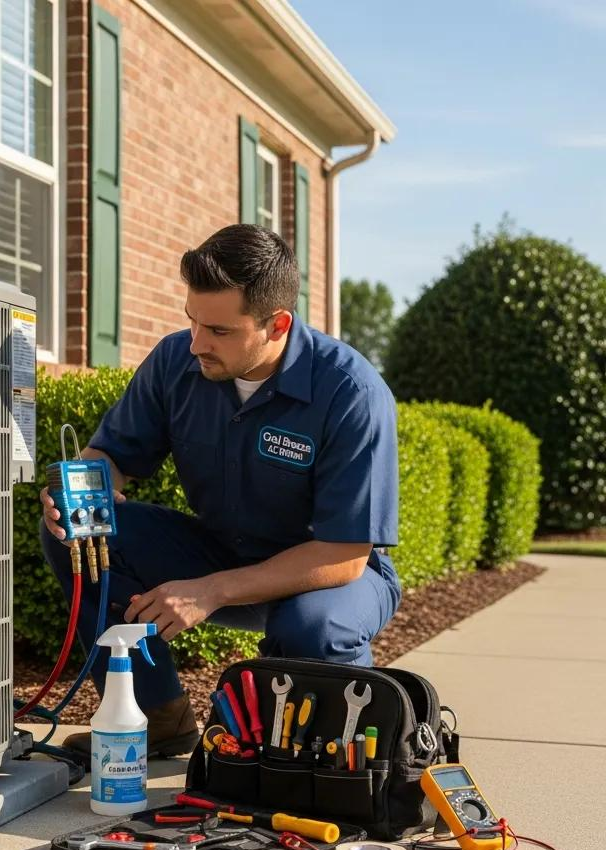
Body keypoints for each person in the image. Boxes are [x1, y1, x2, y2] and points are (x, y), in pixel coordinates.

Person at [40, 223, 401, 761]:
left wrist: (211, 591)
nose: (197, 343)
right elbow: (112, 456)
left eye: (219, 330)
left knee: (313, 626)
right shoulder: (176, 361)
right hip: (222, 550)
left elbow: (345, 554)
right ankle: (155, 720)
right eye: (192, 320)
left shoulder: (351, 392)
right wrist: (80, 492)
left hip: (331, 575)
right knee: (79, 536)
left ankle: (325, 763)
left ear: (277, 324)